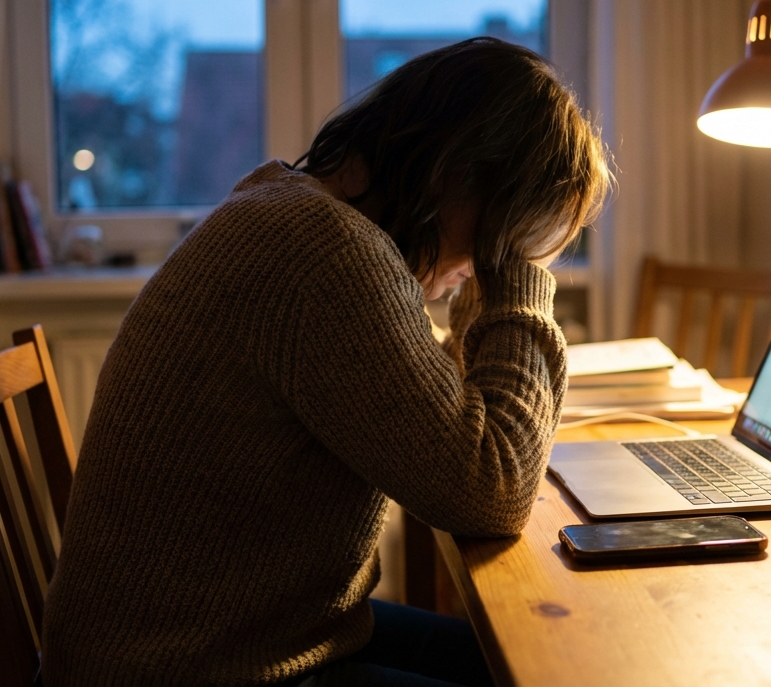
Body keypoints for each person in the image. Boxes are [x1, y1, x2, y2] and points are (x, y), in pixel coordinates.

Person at [41, 37, 612, 686]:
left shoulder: (297, 212)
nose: (478, 265)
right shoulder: (326, 256)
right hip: (188, 670)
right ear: (464, 176)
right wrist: (518, 281)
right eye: (520, 229)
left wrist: (488, 274)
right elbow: (492, 491)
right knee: (560, 669)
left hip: (230, 639)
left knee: (543, 655)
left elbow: (440, 410)